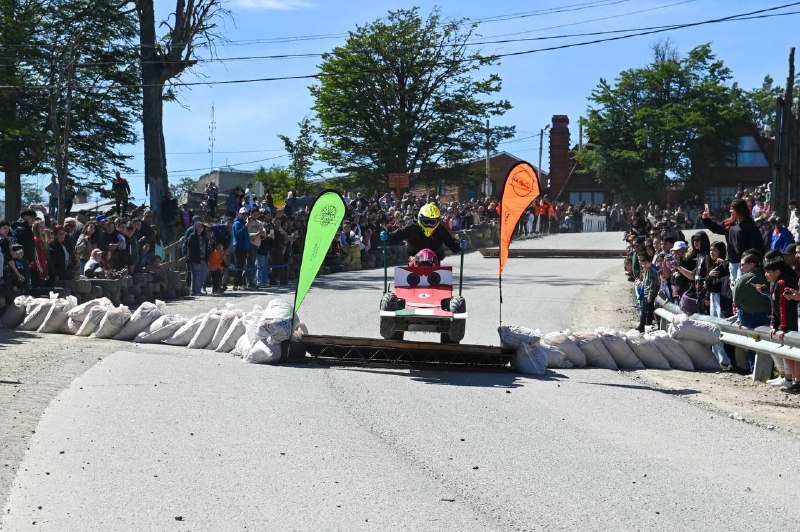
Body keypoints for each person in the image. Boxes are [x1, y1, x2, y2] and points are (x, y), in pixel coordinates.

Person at [702, 199, 764, 288]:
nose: (730, 211)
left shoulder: (750, 226)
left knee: (741, 288)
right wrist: (706, 219)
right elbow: (716, 228)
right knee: (733, 288)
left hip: (744, 264)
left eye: (732, 209)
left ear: (740, 210)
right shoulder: (730, 224)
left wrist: (752, 262)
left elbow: (758, 247)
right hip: (732, 263)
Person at [383, 203, 463, 264]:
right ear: (420, 219)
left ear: (437, 221)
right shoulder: (411, 227)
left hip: (434, 261)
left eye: (432, 222)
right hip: (414, 260)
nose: (428, 225)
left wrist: (459, 245)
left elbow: (451, 243)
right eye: (426, 221)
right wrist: (386, 236)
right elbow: (396, 236)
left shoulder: (440, 229)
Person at [764, 257, 799, 392]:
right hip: (783, 325)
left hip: (790, 324)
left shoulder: (783, 282)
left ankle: (793, 380)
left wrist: (782, 327)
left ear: (777, 271)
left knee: (793, 353)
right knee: (787, 353)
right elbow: (774, 306)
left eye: (768, 272)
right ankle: (787, 378)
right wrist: (774, 325)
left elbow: (783, 306)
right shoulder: (774, 283)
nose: (766, 275)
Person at [733, 251, 770, 372]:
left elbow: (736, 298)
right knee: (760, 341)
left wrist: (740, 308)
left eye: (743, 264)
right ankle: (763, 370)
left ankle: (752, 368)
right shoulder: (764, 276)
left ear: (752, 264)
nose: (741, 267)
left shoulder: (744, 278)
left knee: (750, 342)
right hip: (763, 314)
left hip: (747, 316)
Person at [636, 254, 657, 332]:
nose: (643, 265)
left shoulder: (652, 271)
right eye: (642, 264)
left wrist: (649, 296)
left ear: (650, 262)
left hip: (649, 295)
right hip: (646, 294)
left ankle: (645, 326)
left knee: (647, 312)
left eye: (645, 264)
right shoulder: (648, 270)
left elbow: (653, 284)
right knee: (645, 311)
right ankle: (644, 326)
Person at [186, 223, 208, 296]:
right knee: (196, 275)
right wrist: (192, 258)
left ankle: (196, 290)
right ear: (195, 228)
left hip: (203, 258)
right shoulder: (192, 236)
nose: (200, 228)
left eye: (201, 227)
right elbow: (190, 249)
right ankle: (196, 291)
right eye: (198, 227)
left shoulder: (203, 237)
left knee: (203, 274)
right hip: (195, 259)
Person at [231, 207, 250, 291]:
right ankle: (239, 284)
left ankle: (235, 284)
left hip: (244, 247)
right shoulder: (237, 223)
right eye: (243, 214)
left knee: (240, 266)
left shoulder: (244, 223)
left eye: (246, 214)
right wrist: (245, 227)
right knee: (239, 266)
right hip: (238, 247)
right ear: (239, 214)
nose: (245, 215)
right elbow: (238, 234)